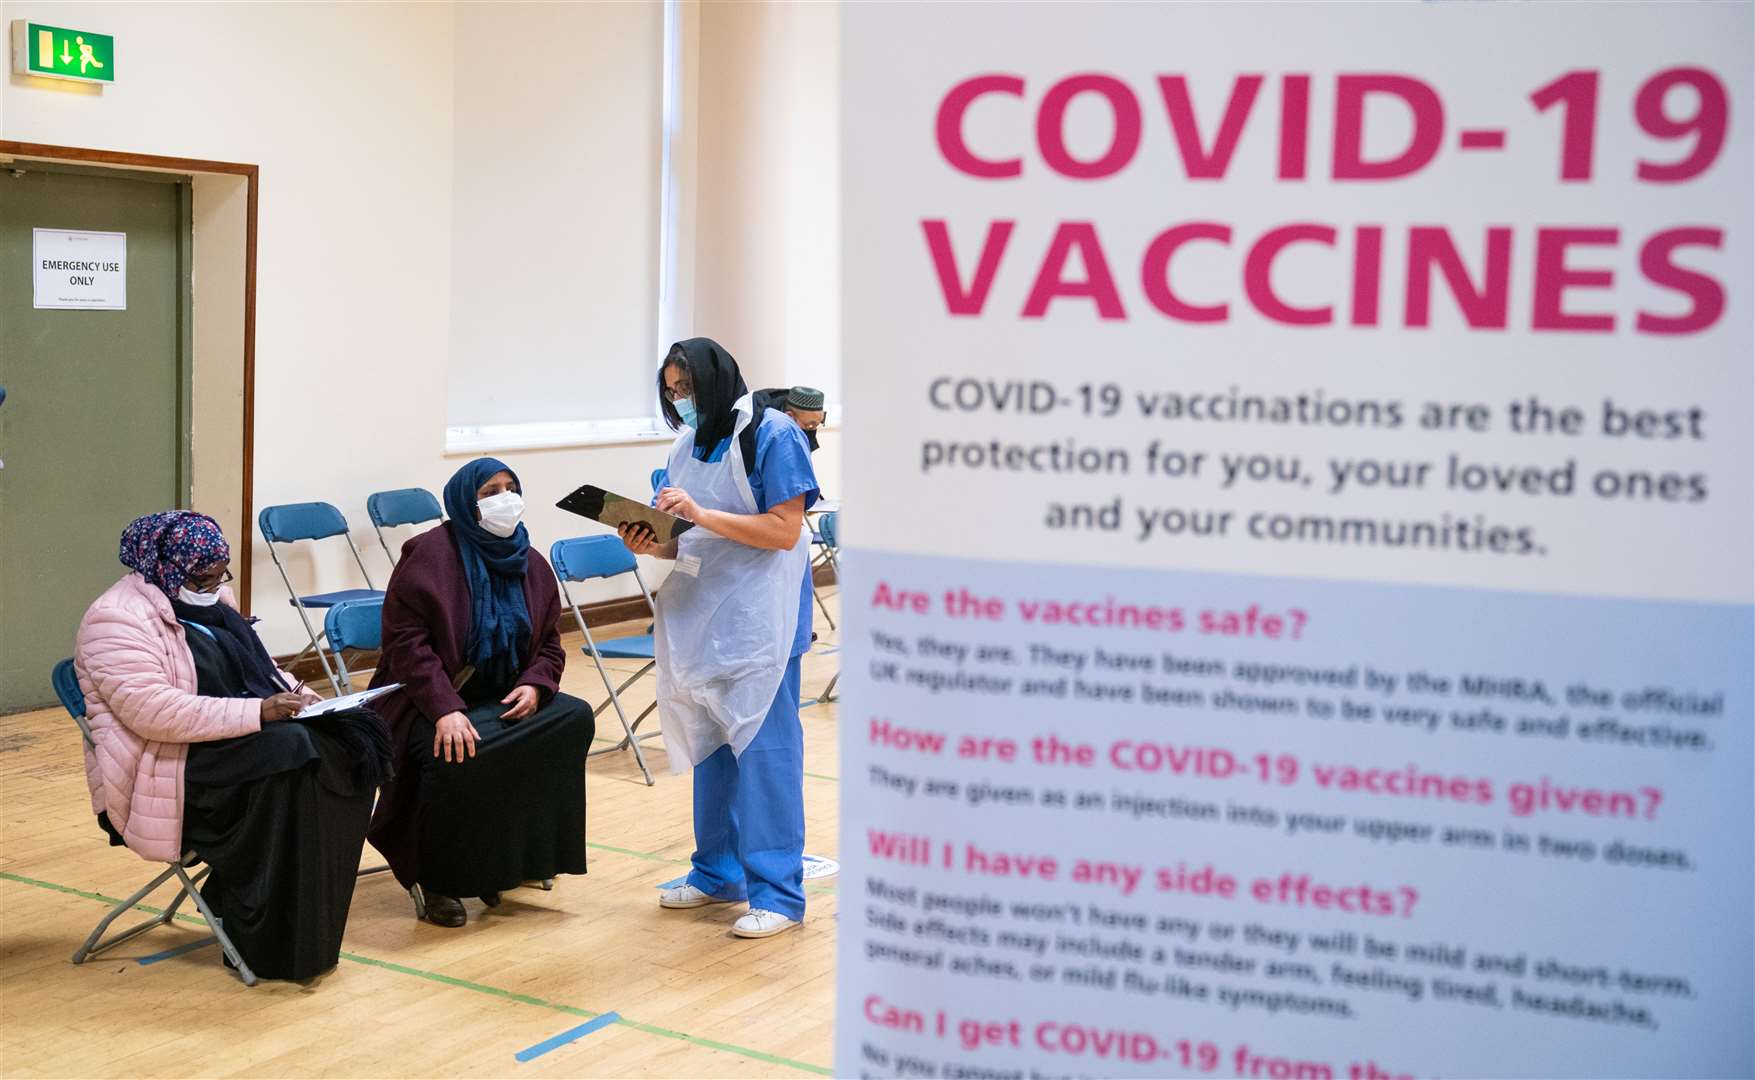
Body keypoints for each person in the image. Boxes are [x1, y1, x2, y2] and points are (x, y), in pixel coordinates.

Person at [74, 511, 390, 982]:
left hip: (234, 744)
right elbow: (154, 712)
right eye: (202, 575)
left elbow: (261, 670)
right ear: (163, 568)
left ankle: (292, 921)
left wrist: (306, 700)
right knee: (294, 752)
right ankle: (260, 926)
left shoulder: (215, 601)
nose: (216, 582)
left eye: (221, 570)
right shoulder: (114, 620)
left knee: (350, 743)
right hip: (169, 766)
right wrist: (259, 712)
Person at [620, 337, 818, 939]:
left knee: (763, 751)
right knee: (711, 745)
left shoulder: (773, 432)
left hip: (764, 615)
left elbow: (785, 530)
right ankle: (717, 873)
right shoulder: (685, 445)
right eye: (671, 392)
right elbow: (683, 540)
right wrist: (652, 540)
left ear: (715, 379)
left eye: (687, 389)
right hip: (704, 611)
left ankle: (779, 893)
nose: (680, 401)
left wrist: (700, 516)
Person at [366, 457, 594, 928]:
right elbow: (407, 648)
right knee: (455, 747)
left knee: (573, 718)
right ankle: (437, 879)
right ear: (465, 502)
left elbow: (549, 641)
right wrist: (445, 708)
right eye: (489, 491)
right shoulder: (428, 556)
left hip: (504, 696)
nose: (503, 498)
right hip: (427, 700)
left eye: (510, 487)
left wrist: (536, 682)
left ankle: (513, 862)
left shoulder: (530, 560)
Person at [752, 385, 827, 453]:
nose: (812, 431)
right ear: (789, 416)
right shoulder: (768, 427)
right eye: (809, 426)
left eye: (817, 424)